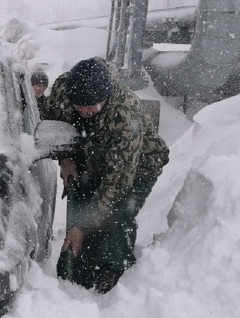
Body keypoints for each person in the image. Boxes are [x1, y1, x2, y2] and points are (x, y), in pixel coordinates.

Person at [40, 57, 168, 293]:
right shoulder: (64, 88)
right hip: (93, 152)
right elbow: (52, 122)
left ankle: (115, 267)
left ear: (106, 97)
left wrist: (80, 226)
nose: (83, 111)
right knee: (86, 201)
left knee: (119, 211)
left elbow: (116, 185)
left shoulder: (126, 117)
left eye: (91, 106)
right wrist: (66, 159)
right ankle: (81, 261)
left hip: (138, 165)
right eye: (78, 105)